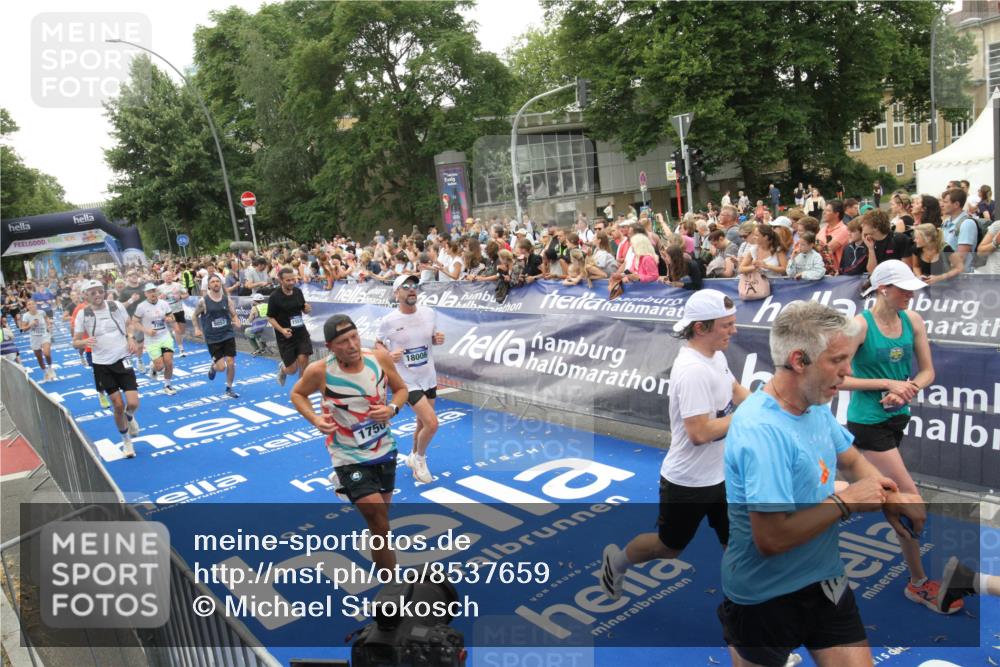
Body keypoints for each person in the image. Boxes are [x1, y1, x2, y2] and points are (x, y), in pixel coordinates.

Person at [719, 300, 927, 667]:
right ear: (800, 361)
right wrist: (847, 503)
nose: (848, 372)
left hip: (826, 581)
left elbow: (851, 459)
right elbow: (771, 539)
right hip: (763, 597)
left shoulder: (812, 404)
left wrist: (889, 494)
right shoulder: (761, 430)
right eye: (837, 361)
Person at [601, 290, 748, 599]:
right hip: (688, 482)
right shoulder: (691, 370)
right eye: (727, 325)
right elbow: (700, 432)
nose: (734, 331)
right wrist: (751, 417)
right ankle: (618, 561)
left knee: (737, 546)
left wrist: (766, 405)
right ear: (701, 328)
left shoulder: (716, 355)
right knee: (669, 547)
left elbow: (735, 390)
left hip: (724, 474)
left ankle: (758, 631)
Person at [839, 260, 962, 613]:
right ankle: (919, 583)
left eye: (912, 288)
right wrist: (885, 383)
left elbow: (927, 372)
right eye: (904, 289)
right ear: (883, 289)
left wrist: (905, 389)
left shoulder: (914, 321)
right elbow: (836, 378)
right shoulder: (859, 326)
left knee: (887, 499)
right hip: (868, 423)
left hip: (897, 419)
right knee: (912, 504)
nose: (911, 294)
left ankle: (823, 505)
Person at [289, 315, 408, 571]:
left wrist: (392, 409)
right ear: (331, 346)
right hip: (347, 455)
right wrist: (315, 419)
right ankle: (393, 590)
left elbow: (401, 390)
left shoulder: (380, 359)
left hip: (384, 448)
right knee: (378, 520)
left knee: (381, 521)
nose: (352, 345)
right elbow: (297, 394)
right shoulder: (320, 371)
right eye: (343, 341)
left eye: (354, 337)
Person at [375, 275, 445, 485]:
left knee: (422, 423)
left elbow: (431, 337)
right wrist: (387, 354)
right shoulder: (389, 321)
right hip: (406, 380)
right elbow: (377, 344)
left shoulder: (429, 313)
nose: (411, 289)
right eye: (405, 286)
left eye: (414, 286)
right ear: (397, 293)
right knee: (432, 424)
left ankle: (413, 455)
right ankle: (420, 460)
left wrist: (436, 339)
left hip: (428, 376)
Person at [73, 280, 141, 458]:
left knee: (132, 403)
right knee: (117, 405)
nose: (97, 295)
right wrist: (84, 342)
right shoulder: (83, 314)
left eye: (100, 291)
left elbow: (129, 324)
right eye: (92, 292)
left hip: (122, 358)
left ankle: (130, 416)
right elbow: (75, 341)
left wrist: (131, 338)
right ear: (86, 295)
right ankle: (126, 441)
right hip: (102, 364)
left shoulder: (116, 305)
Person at [192, 274, 240, 399]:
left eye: (217, 281)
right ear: (208, 285)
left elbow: (233, 314)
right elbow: (194, 316)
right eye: (212, 282)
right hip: (213, 338)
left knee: (230, 362)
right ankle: (213, 367)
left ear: (220, 283)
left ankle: (229, 388)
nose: (215, 284)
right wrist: (197, 329)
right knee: (221, 367)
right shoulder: (203, 301)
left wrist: (237, 320)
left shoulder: (227, 299)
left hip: (227, 334)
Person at [268, 267, 314, 387]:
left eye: (293, 279)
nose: (292, 282)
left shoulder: (298, 292)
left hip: (301, 332)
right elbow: (270, 318)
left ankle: (301, 389)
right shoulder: (274, 297)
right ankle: (283, 369)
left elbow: (303, 308)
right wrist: (282, 330)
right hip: (285, 336)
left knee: (304, 359)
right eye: (288, 280)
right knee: (292, 370)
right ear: (281, 280)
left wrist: (307, 309)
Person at [132, 283, 178, 395]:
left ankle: (167, 385)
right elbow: (134, 322)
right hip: (151, 340)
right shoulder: (141, 307)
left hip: (165, 336)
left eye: (154, 291)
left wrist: (169, 319)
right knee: (159, 367)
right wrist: (146, 331)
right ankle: (153, 367)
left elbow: (172, 317)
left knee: (169, 362)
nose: (152, 293)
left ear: (157, 292)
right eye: (149, 292)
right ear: (145, 294)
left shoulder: (164, 303)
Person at [861, 209, 912, 273]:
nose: (861, 226)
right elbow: (872, 271)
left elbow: (906, 268)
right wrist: (871, 249)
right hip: (879, 279)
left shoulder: (900, 239)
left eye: (864, 224)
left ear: (875, 227)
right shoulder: (869, 242)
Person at [940, 187, 978, 272]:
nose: (941, 204)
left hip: (960, 279)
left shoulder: (967, 224)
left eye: (945, 202)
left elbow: (960, 258)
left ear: (956, 204)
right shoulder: (946, 223)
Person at [19, 300, 55, 381]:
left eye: (32, 304)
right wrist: (31, 324)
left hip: (44, 335)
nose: (31, 305)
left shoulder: (41, 312)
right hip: (34, 338)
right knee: (39, 358)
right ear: (27, 307)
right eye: (29, 304)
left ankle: (50, 368)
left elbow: (47, 319)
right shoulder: (26, 316)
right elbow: (23, 329)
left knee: (47, 353)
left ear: (35, 305)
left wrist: (49, 325)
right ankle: (45, 372)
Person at [158, 271, 188, 357]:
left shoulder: (178, 285)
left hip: (179, 309)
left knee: (182, 331)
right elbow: (154, 299)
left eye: (170, 275)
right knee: (177, 329)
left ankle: (176, 335)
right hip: (168, 312)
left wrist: (180, 297)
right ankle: (181, 349)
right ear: (163, 278)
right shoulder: (160, 288)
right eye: (166, 276)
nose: (168, 277)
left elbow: (186, 294)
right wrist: (160, 298)